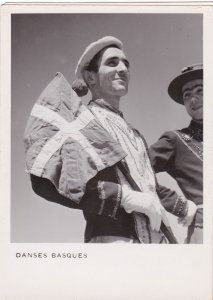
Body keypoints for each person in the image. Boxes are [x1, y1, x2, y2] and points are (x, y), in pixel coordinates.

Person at [26, 36, 173, 244]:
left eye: (126, 64)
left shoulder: (136, 134)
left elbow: (152, 188)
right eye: (112, 63)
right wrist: (124, 197)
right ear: (90, 77)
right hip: (112, 242)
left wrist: (189, 209)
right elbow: (45, 180)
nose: (123, 69)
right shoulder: (80, 123)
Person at [149, 64, 203, 243]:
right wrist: (178, 205)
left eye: (200, 90)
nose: (193, 99)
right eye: (187, 94)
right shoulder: (175, 140)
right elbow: (134, 171)